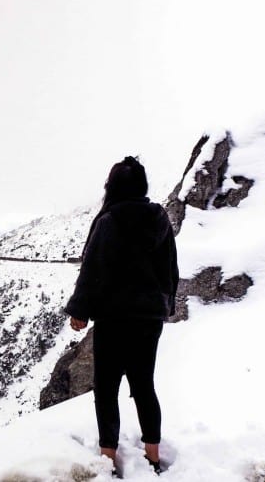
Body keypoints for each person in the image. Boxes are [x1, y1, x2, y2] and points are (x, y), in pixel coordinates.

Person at [63, 156, 179, 476]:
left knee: (107, 387)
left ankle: (108, 457)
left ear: (112, 186)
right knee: (144, 385)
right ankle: (153, 456)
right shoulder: (159, 218)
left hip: (114, 317)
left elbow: (93, 269)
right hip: (148, 318)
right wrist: (164, 306)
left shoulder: (109, 219)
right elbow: (170, 267)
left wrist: (79, 312)